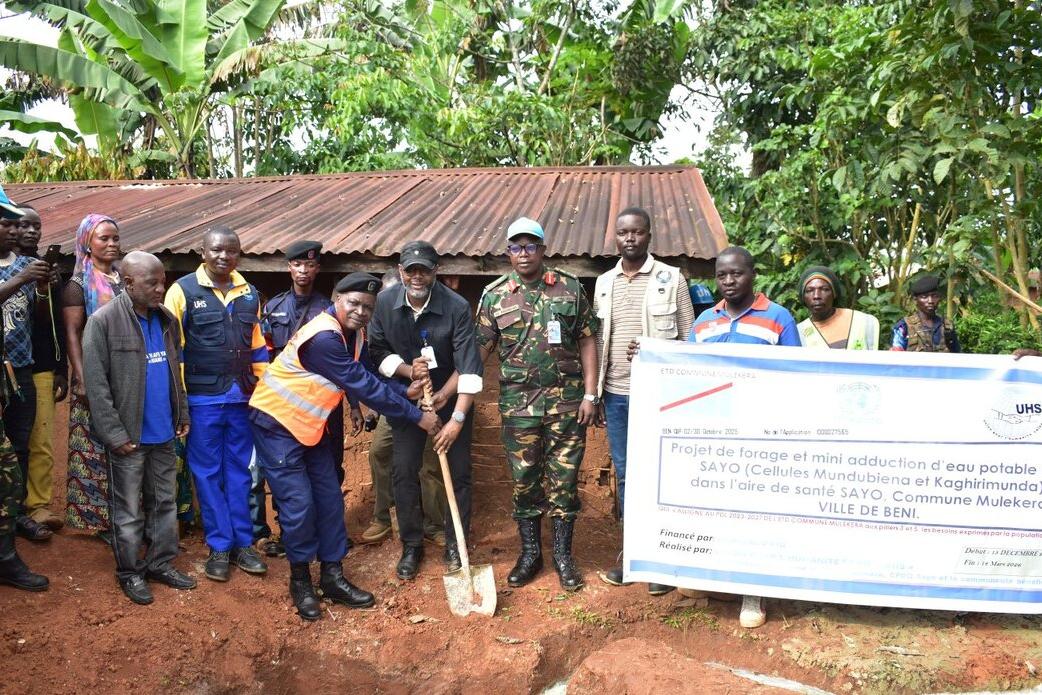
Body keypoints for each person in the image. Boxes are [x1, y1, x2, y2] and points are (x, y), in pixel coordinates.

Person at [249, 272, 442, 620]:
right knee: (299, 506)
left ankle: (333, 576)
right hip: (277, 425)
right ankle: (301, 582)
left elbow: (369, 374)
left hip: (311, 427)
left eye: (368, 307)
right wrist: (416, 416)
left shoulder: (353, 335)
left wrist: (404, 392)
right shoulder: (323, 338)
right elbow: (362, 386)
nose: (360, 311)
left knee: (329, 499)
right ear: (336, 299)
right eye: (353, 303)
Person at [475, 217, 599, 592]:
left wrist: (591, 394)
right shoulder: (494, 296)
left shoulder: (570, 288)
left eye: (531, 246)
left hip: (567, 405)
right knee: (524, 482)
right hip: (519, 409)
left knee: (564, 483)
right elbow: (478, 351)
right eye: (516, 247)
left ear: (543, 250)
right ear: (508, 252)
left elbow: (588, 341)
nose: (523, 253)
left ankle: (563, 555)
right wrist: (456, 389)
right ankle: (531, 554)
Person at [688, 245, 800, 629]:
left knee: (756, 513)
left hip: (760, 434)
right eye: (722, 275)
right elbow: (685, 372)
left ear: (753, 275)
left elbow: (796, 376)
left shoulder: (778, 318)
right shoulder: (704, 321)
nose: (729, 281)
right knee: (715, 505)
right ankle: (714, 579)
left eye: (736, 273)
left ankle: (754, 590)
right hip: (714, 433)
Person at [82, 252, 195, 604]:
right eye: (152, 283)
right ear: (129, 283)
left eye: (163, 281)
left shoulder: (165, 320)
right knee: (128, 510)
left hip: (163, 434)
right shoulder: (102, 322)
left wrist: (182, 413)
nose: (161, 288)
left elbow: (175, 372)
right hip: (129, 438)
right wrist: (114, 435)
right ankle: (130, 571)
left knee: (164, 502)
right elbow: (96, 387)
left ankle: (160, 562)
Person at [593, 206, 695, 595]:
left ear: (649, 236)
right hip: (617, 395)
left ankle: (664, 561)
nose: (630, 238)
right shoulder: (604, 282)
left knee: (661, 475)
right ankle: (634, 556)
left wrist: (655, 350)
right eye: (623, 233)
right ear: (615, 237)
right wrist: (597, 393)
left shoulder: (672, 278)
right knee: (626, 475)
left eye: (637, 232)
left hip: (661, 396)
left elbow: (688, 340)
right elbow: (598, 341)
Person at [368, 241, 483, 579]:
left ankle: (453, 543)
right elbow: (377, 351)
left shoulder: (456, 307)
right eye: (410, 269)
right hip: (409, 401)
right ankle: (412, 545)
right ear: (401, 271)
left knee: (459, 472)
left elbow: (470, 369)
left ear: (436, 271)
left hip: (451, 396)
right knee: (403, 470)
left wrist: (455, 418)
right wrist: (408, 374)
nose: (417, 276)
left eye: (424, 269)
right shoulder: (386, 303)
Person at [164, 226, 269, 582]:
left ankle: (243, 544)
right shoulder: (181, 291)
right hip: (202, 399)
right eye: (217, 250)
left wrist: (263, 393)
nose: (224, 256)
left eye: (231, 250)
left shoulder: (250, 293)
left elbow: (257, 348)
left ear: (239, 253)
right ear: (202, 252)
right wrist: (178, 402)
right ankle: (220, 545)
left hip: (242, 399)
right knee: (208, 475)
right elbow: (172, 350)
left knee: (240, 474)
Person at [252, 240, 352, 558]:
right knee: (285, 472)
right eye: (298, 265)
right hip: (284, 407)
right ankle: (288, 534)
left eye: (310, 265)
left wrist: (356, 407)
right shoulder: (274, 307)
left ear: (317, 269)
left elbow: (347, 365)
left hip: (323, 405)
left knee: (329, 468)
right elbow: (263, 354)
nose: (304, 270)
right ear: (289, 268)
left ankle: (329, 532)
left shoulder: (329, 309)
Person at [361, 269, 447, 547]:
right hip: (396, 405)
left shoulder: (427, 322)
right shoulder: (378, 328)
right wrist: (375, 408)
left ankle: (434, 524)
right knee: (379, 453)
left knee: (430, 464)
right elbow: (371, 375)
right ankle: (384, 517)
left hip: (430, 402)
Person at [0, 186, 49, 592]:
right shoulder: (19, 271)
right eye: (7, 223)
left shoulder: (25, 264)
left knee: (17, 451)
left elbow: (34, 318)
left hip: (20, 368)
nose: (14, 229)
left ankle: (10, 529)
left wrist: (42, 287)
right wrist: (20, 279)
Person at [64, 214, 123, 537]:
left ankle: (125, 516)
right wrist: (82, 378)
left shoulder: (123, 278)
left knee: (123, 444)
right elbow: (72, 333)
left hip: (125, 375)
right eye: (104, 238)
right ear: (88, 242)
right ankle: (101, 522)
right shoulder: (78, 285)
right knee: (94, 447)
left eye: (115, 238)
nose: (112, 244)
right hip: (94, 375)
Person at [16, 205, 69, 531]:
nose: (32, 232)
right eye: (24, 225)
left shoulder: (50, 270)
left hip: (42, 365)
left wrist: (62, 367)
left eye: (36, 226)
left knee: (41, 441)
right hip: (12, 366)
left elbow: (57, 324)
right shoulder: (12, 268)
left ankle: (37, 506)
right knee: (14, 441)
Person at [797, 266, 879, 350]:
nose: (816, 296)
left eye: (824, 289)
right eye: (809, 290)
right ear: (803, 297)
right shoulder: (799, 333)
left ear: (834, 293)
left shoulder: (864, 322)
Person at [890, 274, 960, 352]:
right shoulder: (904, 326)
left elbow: (956, 355)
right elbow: (896, 355)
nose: (930, 301)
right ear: (915, 300)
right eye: (924, 297)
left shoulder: (947, 326)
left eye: (934, 296)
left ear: (939, 298)